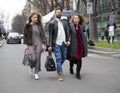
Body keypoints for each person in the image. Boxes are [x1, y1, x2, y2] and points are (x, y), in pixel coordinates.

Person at [48, 7, 70, 81]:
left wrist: (68, 40)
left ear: (61, 13)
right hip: (56, 43)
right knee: (59, 58)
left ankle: (58, 67)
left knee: (64, 57)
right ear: (55, 13)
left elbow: (68, 32)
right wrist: (50, 45)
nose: (58, 13)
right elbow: (50, 35)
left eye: (60, 12)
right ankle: (60, 73)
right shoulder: (52, 23)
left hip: (64, 43)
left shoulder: (65, 22)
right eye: (57, 12)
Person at [23, 12, 47, 80]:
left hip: (39, 43)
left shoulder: (39, 26)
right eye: (34, 17)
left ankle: (36, 73)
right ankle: (31, 67)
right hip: (31, 44)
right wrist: (25, 44)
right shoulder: (27, 26)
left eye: (37, 17)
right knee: (33, 59)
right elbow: (25, 36)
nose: (36, 18)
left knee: (38, 58)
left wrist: (43, 44)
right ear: (31, 18)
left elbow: (42, 35)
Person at [68, 13, 88, 80]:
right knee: (72, 58)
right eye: (74, 18)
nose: (75, 19)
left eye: (76, 18)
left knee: (79, 58)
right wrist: (68, 41)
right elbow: (68, 35)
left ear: (79, 20)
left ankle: (78, 73)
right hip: (73, 45)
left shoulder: (81, 26)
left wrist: (85, 42)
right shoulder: (70, 26)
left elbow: (84, 35)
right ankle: (71, 68)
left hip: (80, 45)